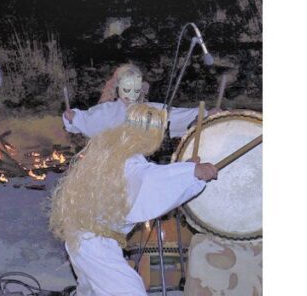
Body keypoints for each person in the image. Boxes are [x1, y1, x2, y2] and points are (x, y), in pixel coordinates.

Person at [50, 103, 218, 295]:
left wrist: (185, 170)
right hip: (95, 243)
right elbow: (149, 181)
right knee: (130, 291)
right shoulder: (129, 161)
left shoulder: (113, 150)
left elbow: (145, 176)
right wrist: (192, 173)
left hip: (82, 236)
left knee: (92, 291)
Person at [62, 63, 199, 138]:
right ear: (118, 88)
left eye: (136, 90)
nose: (131, 95)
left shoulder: (151, 109)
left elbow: (176, 116)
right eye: (127, 90)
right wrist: (72, 117)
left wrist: (204, 114)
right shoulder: (107, 111)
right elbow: (85, 120)